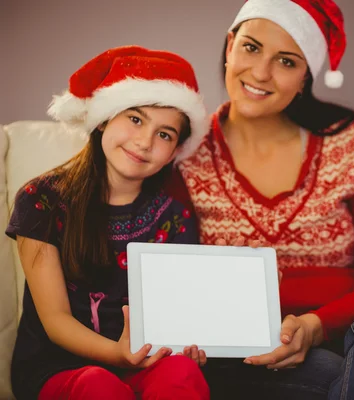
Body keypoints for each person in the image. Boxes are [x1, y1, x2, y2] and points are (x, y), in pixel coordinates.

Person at [168, 1, 354, 399]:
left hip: (352, 344)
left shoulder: (352, 142)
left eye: (286, 61)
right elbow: (172, 281)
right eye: (250, 47)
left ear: (304, 78)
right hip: (240, 361)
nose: (260, 72)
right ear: (229, 46)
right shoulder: (183, 152)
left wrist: (316, 325)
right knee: (332, 374)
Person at [7, 46, 211, 400]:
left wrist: (188, 344)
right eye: (135, 119)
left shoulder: (174, 216)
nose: (144, 141)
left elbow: (178, 311)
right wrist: (117, 355)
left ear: (175, 150)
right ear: (104, 119)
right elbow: (55, 321)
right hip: (59, 367)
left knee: (182, 371)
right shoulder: (41, 200)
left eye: (165, 134)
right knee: (97, 384)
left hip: (144, 362)